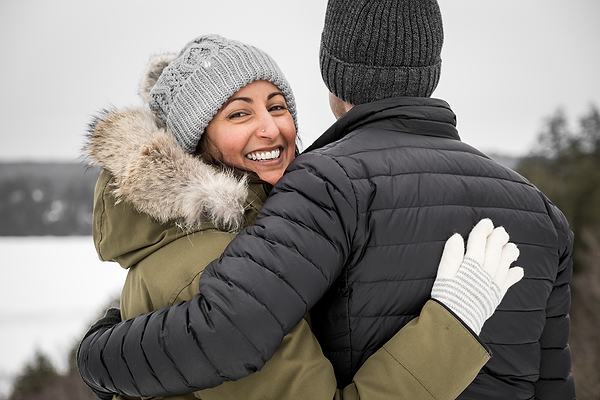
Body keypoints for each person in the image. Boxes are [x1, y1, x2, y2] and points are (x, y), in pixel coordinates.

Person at [78, 0, 575, 396]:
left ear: (331, 74)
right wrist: (453, 323)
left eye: (277, 105)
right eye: (238, 114)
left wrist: (105, 347)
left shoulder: (306, 195)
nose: (271, 127)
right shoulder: (541, 213)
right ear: (193, 139)